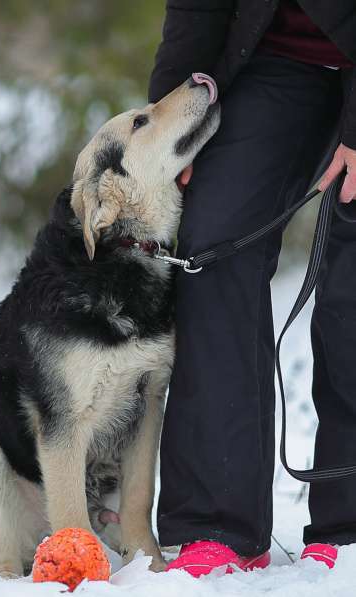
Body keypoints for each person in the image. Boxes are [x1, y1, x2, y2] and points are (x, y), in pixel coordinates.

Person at [148, 0, 356, 576]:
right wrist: (172, 127)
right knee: (211, 246)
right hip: (278, 59)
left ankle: (350, 523)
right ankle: (217, 521)